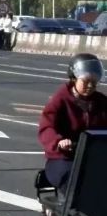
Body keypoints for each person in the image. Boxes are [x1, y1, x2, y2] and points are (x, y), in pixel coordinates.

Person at [38, 53, 107, 193]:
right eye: (86, 82)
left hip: (93, 156)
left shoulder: (102, 102)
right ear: (74, 79)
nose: (90, 86)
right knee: (72, 178)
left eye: (94, 82)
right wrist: (59, 141)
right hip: (64, 157)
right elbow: (47, 127)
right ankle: (67, 211)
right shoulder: (61, 100)